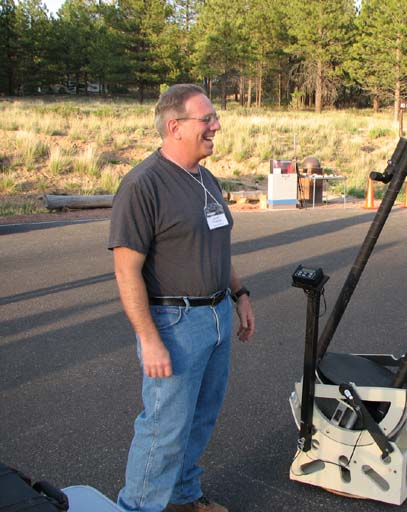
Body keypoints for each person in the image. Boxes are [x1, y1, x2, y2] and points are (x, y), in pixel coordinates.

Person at [108, 84, 255, 512]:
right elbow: (126, 270)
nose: (216, 125)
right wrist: (148, 338)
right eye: (206, 119)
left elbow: (217, 247)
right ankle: (136, 507)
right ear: (174, 126)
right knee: (163, 430)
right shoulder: (143, 184)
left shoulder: (205, 178)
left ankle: (184, 497)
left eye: (214, 117)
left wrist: (240, 294)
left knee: (199, 420)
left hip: (216, 315)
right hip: (173, 323)